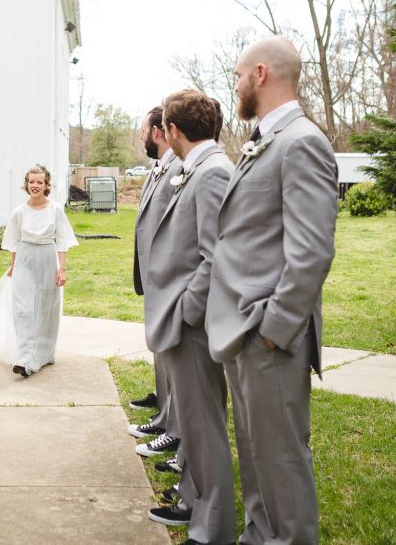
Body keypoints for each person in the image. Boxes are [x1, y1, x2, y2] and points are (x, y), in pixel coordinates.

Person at [207, 36, 338, 545]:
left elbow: (311, 253)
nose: (236, 86)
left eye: (238, 76)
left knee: (281, 459)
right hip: (242, 331)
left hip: (268, 336)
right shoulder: (264, 139)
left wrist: (273, 330)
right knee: (257, 456)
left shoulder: (302, 141)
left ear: (260, 74)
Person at [142, 91, 236, 544]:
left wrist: (185, 312)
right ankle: (190, 503)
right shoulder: (196, 167)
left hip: (192, 325)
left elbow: (216, 256)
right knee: (194, 430)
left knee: (204, 428)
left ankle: (211, 529)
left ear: (174, 131)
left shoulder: (212, 171)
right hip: (181, 321)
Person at [129, 106, 183, 453]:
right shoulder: (160, 168)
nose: (141, 136)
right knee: (160, 353)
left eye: (144, 130)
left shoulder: (179, 168)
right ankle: (164, 413)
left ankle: (173, 425)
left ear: (158, 132)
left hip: (168, 278)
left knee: (173, 357)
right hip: (154, 277)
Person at [0, 165, 78, 376]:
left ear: (47, 185)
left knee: (45, 308)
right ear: (26, 184)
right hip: (25, 260)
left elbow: (62, 241)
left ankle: (43, 354)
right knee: (23, 309)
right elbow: (14, 242)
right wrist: (13, 265)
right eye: (31, 182)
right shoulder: (19, 212)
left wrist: (62, 269)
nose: (35, 186)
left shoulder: (55, 210)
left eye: (39, 182)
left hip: (47, 259)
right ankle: (24, 358)